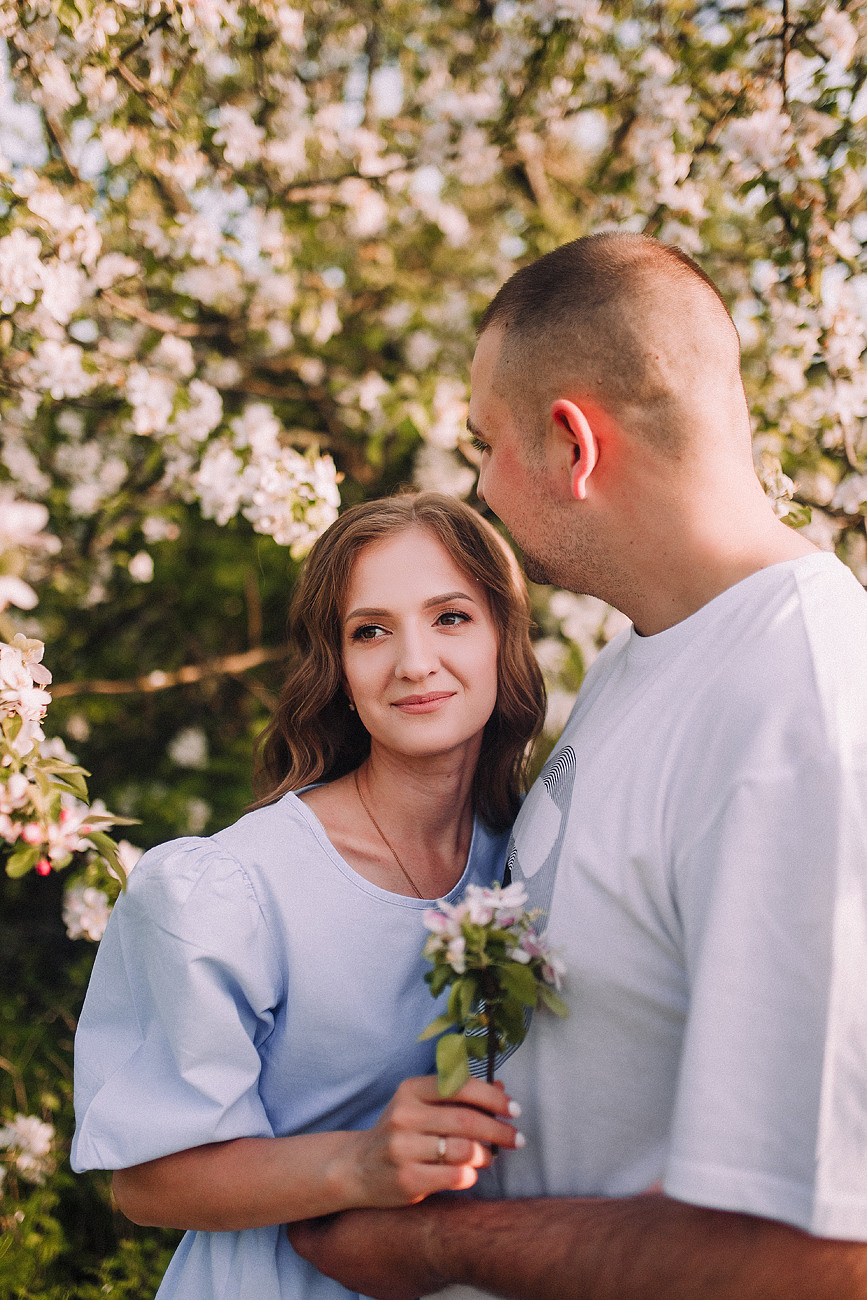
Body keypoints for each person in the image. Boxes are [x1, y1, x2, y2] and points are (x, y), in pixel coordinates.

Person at [287, 233, 867, 1299]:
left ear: (572, 444)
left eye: (486, 445)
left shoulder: (805, 719)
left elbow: (821, 1257)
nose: (481, 487)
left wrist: (428, 1250)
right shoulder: (646, 651)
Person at [71, 491, 545, 1299]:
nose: (414, 662)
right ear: (338, 670)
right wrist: (358, 1162)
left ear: (504, 636)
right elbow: (146, 1185)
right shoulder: (232, 889)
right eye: (371, 631)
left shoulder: (531, 848)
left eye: (451, 617)